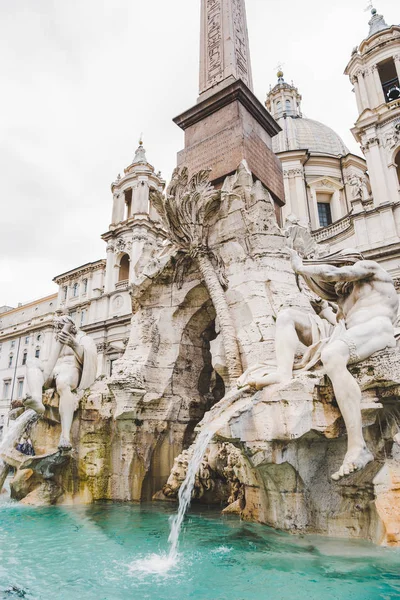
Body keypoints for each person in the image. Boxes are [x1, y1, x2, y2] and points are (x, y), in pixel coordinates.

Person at [239, 248, 399, 480]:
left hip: (378, 329)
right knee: (287, 317)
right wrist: (323, 309)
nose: (335, 291)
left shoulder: (371, 270)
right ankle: (283, 373)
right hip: (347, 334)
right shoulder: (343, 298)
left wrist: (301, 267)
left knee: (333, 354)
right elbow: (339, 322)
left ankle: (357, 446)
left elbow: (333, 274)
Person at [23, 315, 97, 451]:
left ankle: (65, 436)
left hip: (72, 369)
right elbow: (50, 362)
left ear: (72, 326)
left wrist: (73, 344)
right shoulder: (56, 340)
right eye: (56, 327)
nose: (58, 330)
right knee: (31, 361)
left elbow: (90, 360)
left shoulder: (84, 339)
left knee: (63, 383)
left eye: (60, 327)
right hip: (55, 369)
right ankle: (37, 400)